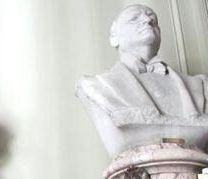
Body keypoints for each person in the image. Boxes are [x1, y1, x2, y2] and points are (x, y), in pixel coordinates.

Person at [76, 4, 208, 156]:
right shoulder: (96, 86)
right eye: (134, 18)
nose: (147, 20)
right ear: (114, 38)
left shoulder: (200, 85)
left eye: (153, 19)